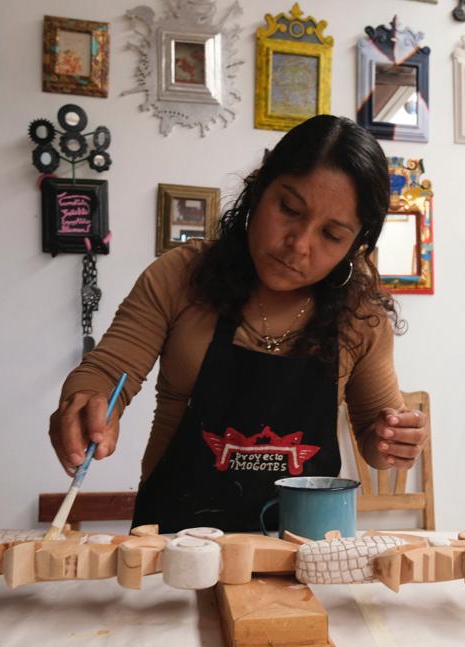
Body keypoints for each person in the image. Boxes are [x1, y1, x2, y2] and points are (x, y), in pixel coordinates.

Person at [49, 115, 429, 533]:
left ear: (356, 246)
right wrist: (87, 401)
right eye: (288, 209)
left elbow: (377, 438)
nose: (299, 245)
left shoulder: (362, 318)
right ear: (258, 188)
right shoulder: (180, 277)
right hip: (176, 547)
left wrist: (393, 442)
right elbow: (105, 373)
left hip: (303, 554)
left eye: (332, 235)